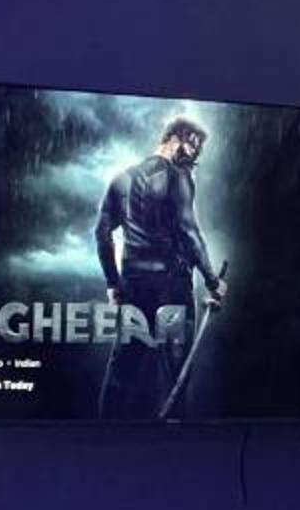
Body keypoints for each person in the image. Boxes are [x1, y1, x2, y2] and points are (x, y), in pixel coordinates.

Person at [93, 116, 224, 418]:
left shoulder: (122, 178)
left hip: (133, 286)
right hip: (172, 288)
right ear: (174, 138)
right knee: (177, 372)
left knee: (123, 368)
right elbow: (189, 231)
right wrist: (212, 280)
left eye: (198, 150)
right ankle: (177, 440)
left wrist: (113, 283)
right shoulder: (179, 177)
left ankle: (104, 434)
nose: (194, 155)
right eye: (192, 145)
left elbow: (101, 233)